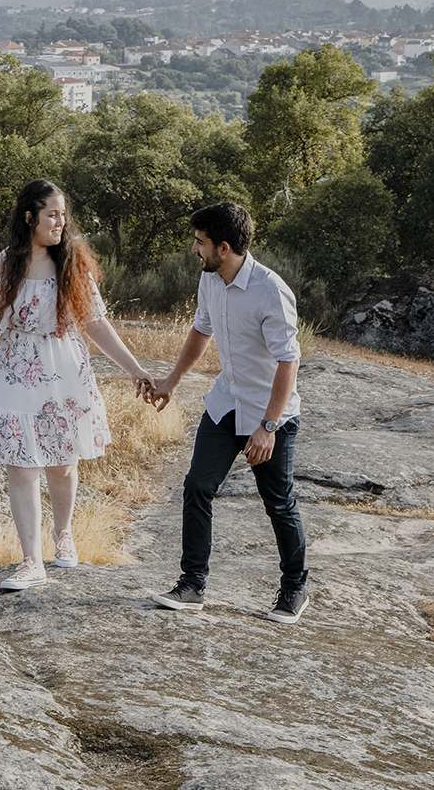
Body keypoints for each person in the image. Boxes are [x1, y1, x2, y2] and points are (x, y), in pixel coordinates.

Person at [0, 179, 154, 591]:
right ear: (29, 216)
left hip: (66, 373)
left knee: (63, 465)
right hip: (15, 373)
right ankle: (31, 560)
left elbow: (96, 324)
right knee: (21, 467)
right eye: (53, 214)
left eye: (64, 215)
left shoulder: (71, 263)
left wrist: (134, 368)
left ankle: (63, 533)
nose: (60, 222)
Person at [145, 202, 309, 623]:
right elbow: (201, 329)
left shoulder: (271, 290)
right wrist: (171, 382)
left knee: (278, 503)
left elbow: (289, 361)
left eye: (200, 243)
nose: (194, 250)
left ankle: (295, 589)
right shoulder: (211, 280)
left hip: (268, 415)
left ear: (224, 246)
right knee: (197, 486)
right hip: (225, 405)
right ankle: (192, 584)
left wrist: (268, 426)